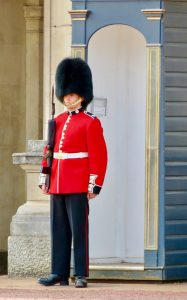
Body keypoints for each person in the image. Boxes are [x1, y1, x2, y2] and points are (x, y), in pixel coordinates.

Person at [38, 57, 108, 288]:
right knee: (58, 229)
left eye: (71, 94)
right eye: (65, 94)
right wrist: (44, 176)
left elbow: (98, 155)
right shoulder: (57, 120)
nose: (67, 98)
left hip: (78, 182)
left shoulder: (90, 122)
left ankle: (80, 273)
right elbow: (49, 150)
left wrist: (94, 185)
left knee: (79, 230)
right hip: (57, 180)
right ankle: (58, 272)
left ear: (81, 95)